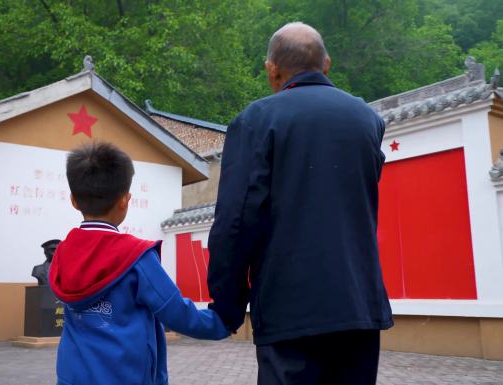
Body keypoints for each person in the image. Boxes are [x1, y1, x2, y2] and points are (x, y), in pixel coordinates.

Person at [207, 22, 393, 385]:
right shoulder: (367, 120)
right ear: (326, 65)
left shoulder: (257, 120)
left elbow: (235, 220)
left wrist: (227, 306)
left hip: (288, 311)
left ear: (271, 70)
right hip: (358, 307)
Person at [49, 141, 229, 385]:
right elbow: (177, 313)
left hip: (72, 375)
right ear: (125, 200)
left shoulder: (62, 253)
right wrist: (223, 322)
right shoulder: (136, 257)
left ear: (73, 200)